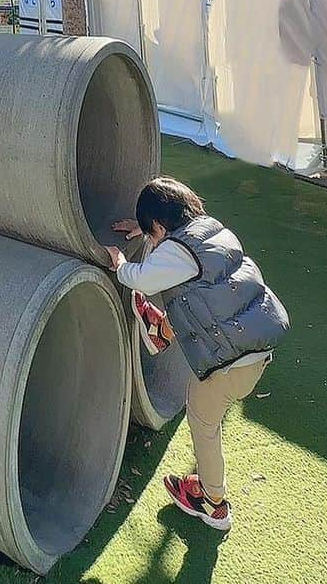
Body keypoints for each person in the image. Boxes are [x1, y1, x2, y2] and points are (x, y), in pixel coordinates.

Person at [107, 176, 289, 532]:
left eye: (151, 232)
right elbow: (202, 291)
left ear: (159, 225)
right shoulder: (211, 231)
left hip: (231, 365)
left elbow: (143, 279)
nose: (152, 239)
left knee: (203, 424)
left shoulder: (177, 251)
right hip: (255, 347)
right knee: (199, 298)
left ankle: (213, 503)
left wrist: (119, 264)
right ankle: (161, 330)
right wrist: (144, 232)